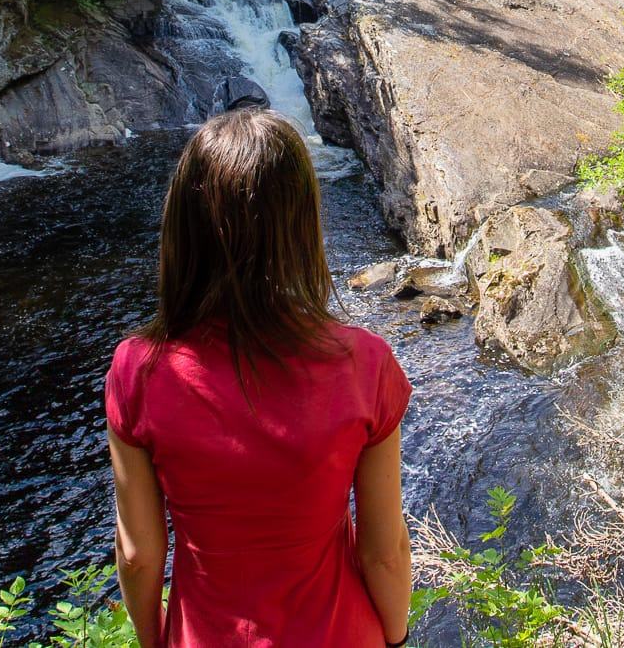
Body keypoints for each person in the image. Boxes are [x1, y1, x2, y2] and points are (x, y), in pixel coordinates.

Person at [104, 108, 413, 647]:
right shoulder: (365, 364)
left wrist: (155, 641)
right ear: (301, 228)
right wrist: (395, 638)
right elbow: (384, 553)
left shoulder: (138, 371)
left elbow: (137, 555)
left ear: (184, 226)